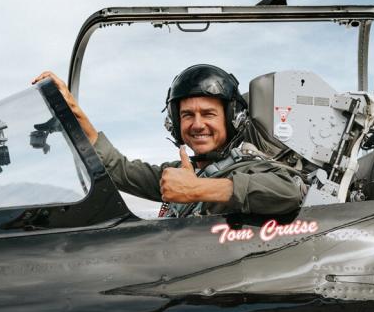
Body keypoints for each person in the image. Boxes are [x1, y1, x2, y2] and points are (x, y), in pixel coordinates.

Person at [31, 65, 303, 216]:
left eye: (208, 114)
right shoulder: (177, 172)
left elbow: (288, 193)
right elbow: (117, 169)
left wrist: (200, 189)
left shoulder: (249, 165)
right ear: (176, 122)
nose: (197, 124)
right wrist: (74, 112)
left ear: (231, 118)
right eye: (187, 115)